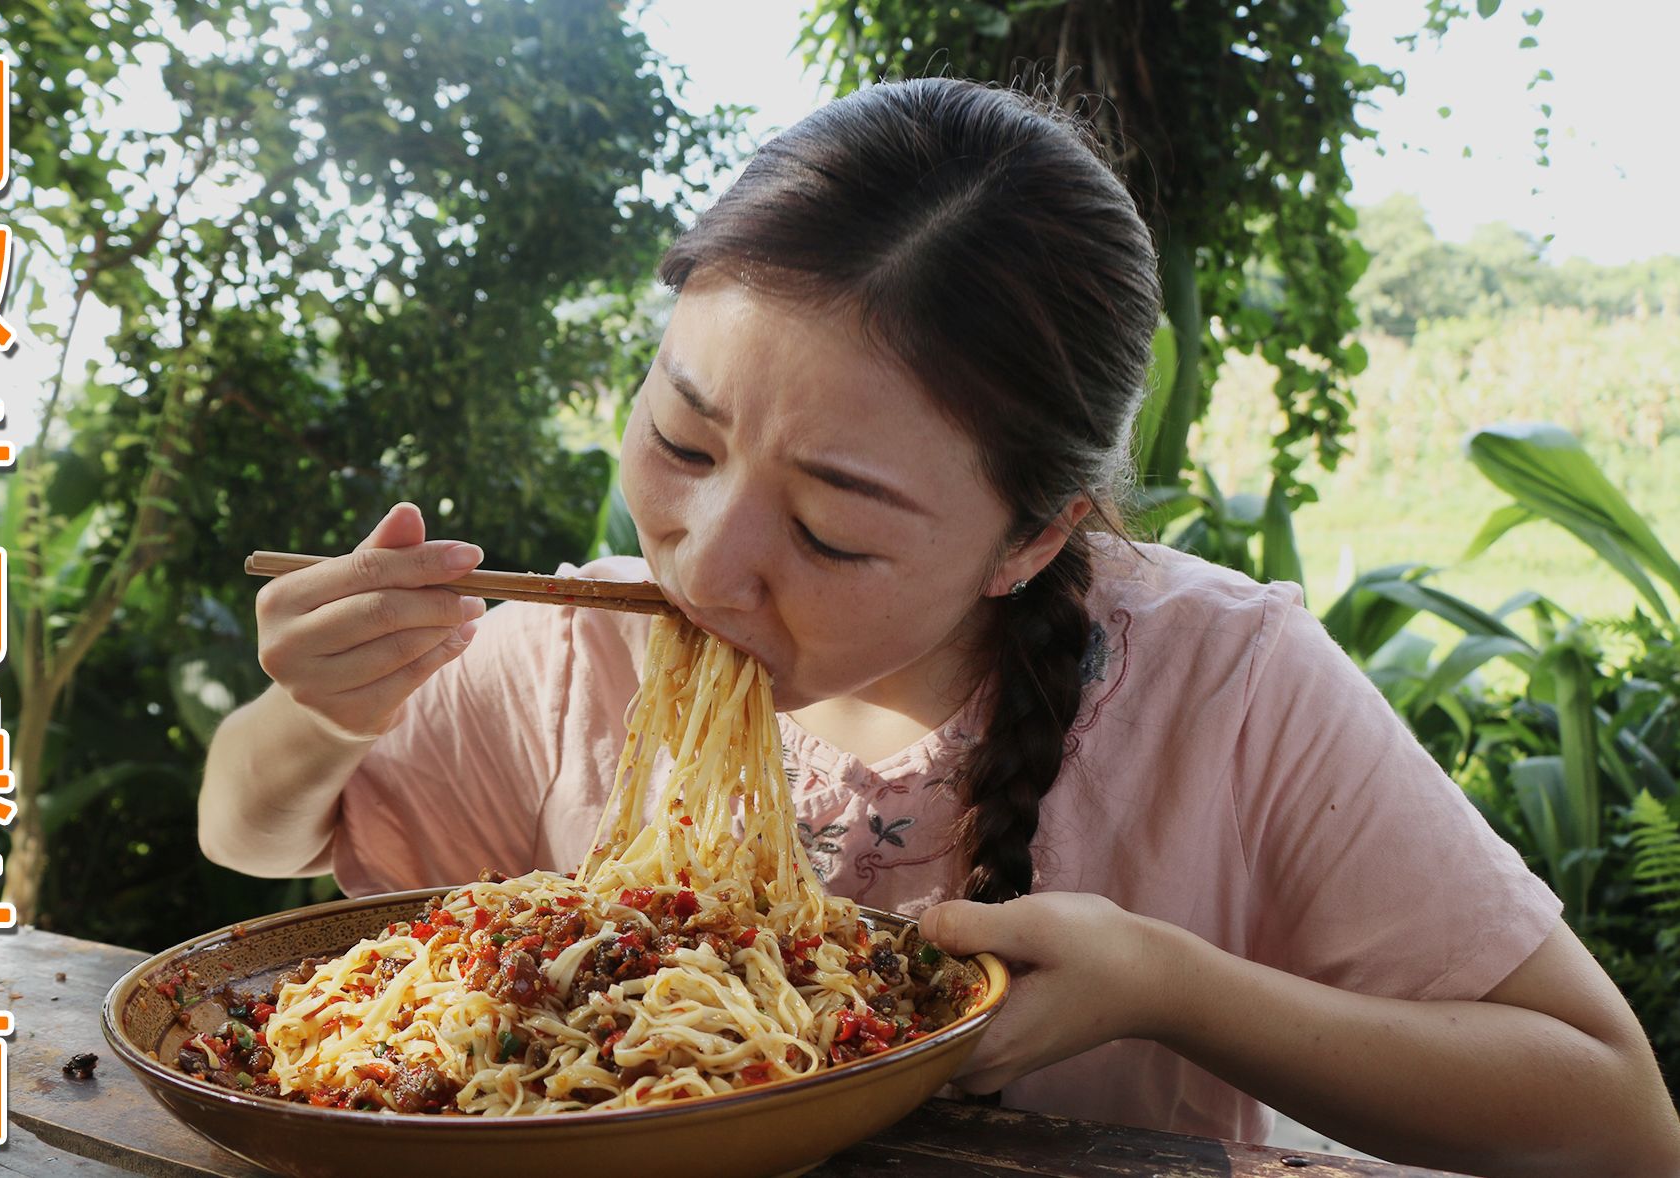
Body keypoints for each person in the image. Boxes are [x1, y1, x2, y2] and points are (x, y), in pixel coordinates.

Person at [199, 78, 1680, 1174]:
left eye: (833, 526)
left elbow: (1613, 1121)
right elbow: (252, 841)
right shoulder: (573, 649)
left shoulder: (1222, 680)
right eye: (682, 439)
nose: (707, 569)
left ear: (1031, 537)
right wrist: (316, 706)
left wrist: (1175, 989)